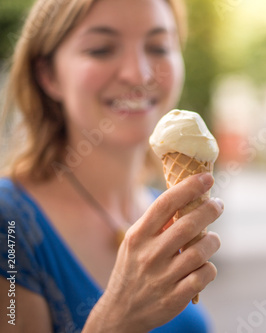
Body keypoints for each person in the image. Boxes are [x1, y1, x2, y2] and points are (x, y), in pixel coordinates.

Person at [0, 0, 224, 332]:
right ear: (48, 75)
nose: (138, 74)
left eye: (159, 46)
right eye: (102, 49)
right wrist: (115, 320)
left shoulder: (162, 208)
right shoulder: (10, 225)